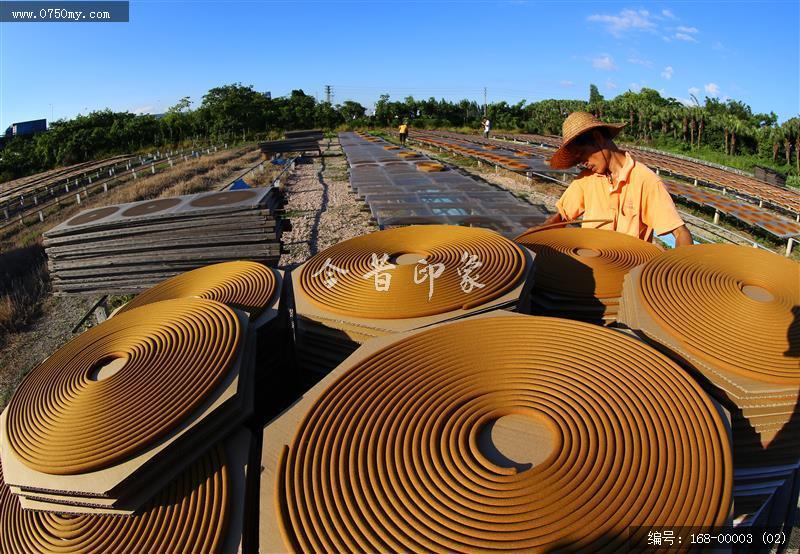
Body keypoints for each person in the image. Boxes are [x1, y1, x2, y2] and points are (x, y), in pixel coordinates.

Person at [543, 111, 693, 246]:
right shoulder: (586, 180)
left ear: (598, 138)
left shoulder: (645, 181)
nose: (583, 162)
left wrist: (679, 269)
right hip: (591, 267)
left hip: (630, 271)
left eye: (582, 154)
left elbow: (681, 233)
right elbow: (561, 217)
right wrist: (538, 233)